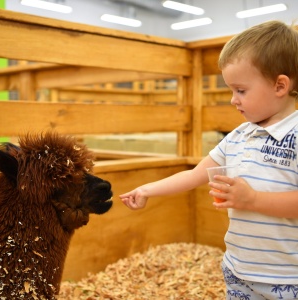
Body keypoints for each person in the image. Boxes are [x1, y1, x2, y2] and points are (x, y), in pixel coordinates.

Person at [120, 20, 298, 299]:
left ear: (280, 85)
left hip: (287, 278)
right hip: (239, 271)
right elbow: (194, 174)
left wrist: (252, 200)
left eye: (241, 90)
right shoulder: (239, 136)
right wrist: (147, 190)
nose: (232, 100)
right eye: (231, 90)